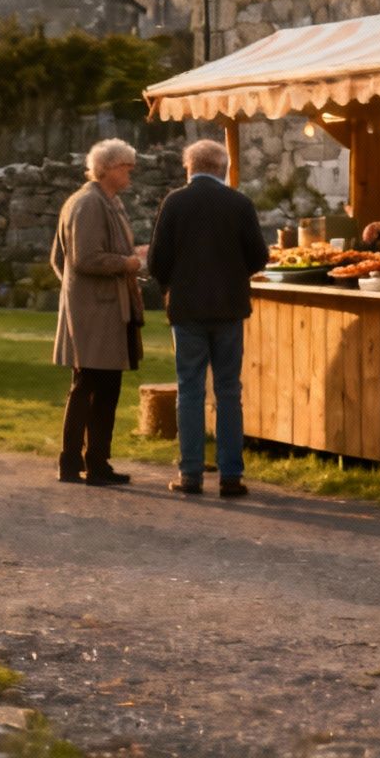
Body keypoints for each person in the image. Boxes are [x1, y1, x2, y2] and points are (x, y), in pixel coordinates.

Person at [147, 140, 268, 498]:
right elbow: (259, 256)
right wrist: (234, 274)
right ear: (223, 167)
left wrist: (175, 282)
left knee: (190, 390)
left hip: (187, 309)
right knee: (229, 391)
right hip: (229, 308)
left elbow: (157, 262)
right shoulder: (239, 203)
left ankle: (191, 473)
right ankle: (231, 475)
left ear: (189, 167)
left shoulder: (175, 203)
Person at [51, 139, 146, 486]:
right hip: (96, 314)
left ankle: (94, 462)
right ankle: (75, 462)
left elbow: (62, 261)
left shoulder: (106, 202)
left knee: (103, 387)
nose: (130, 172)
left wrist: (128, 256)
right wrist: (126, 263)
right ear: (106, 168)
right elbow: (83, 258)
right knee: (89, 386)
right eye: (126, 166)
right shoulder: (90, 203)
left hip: (101, 310)